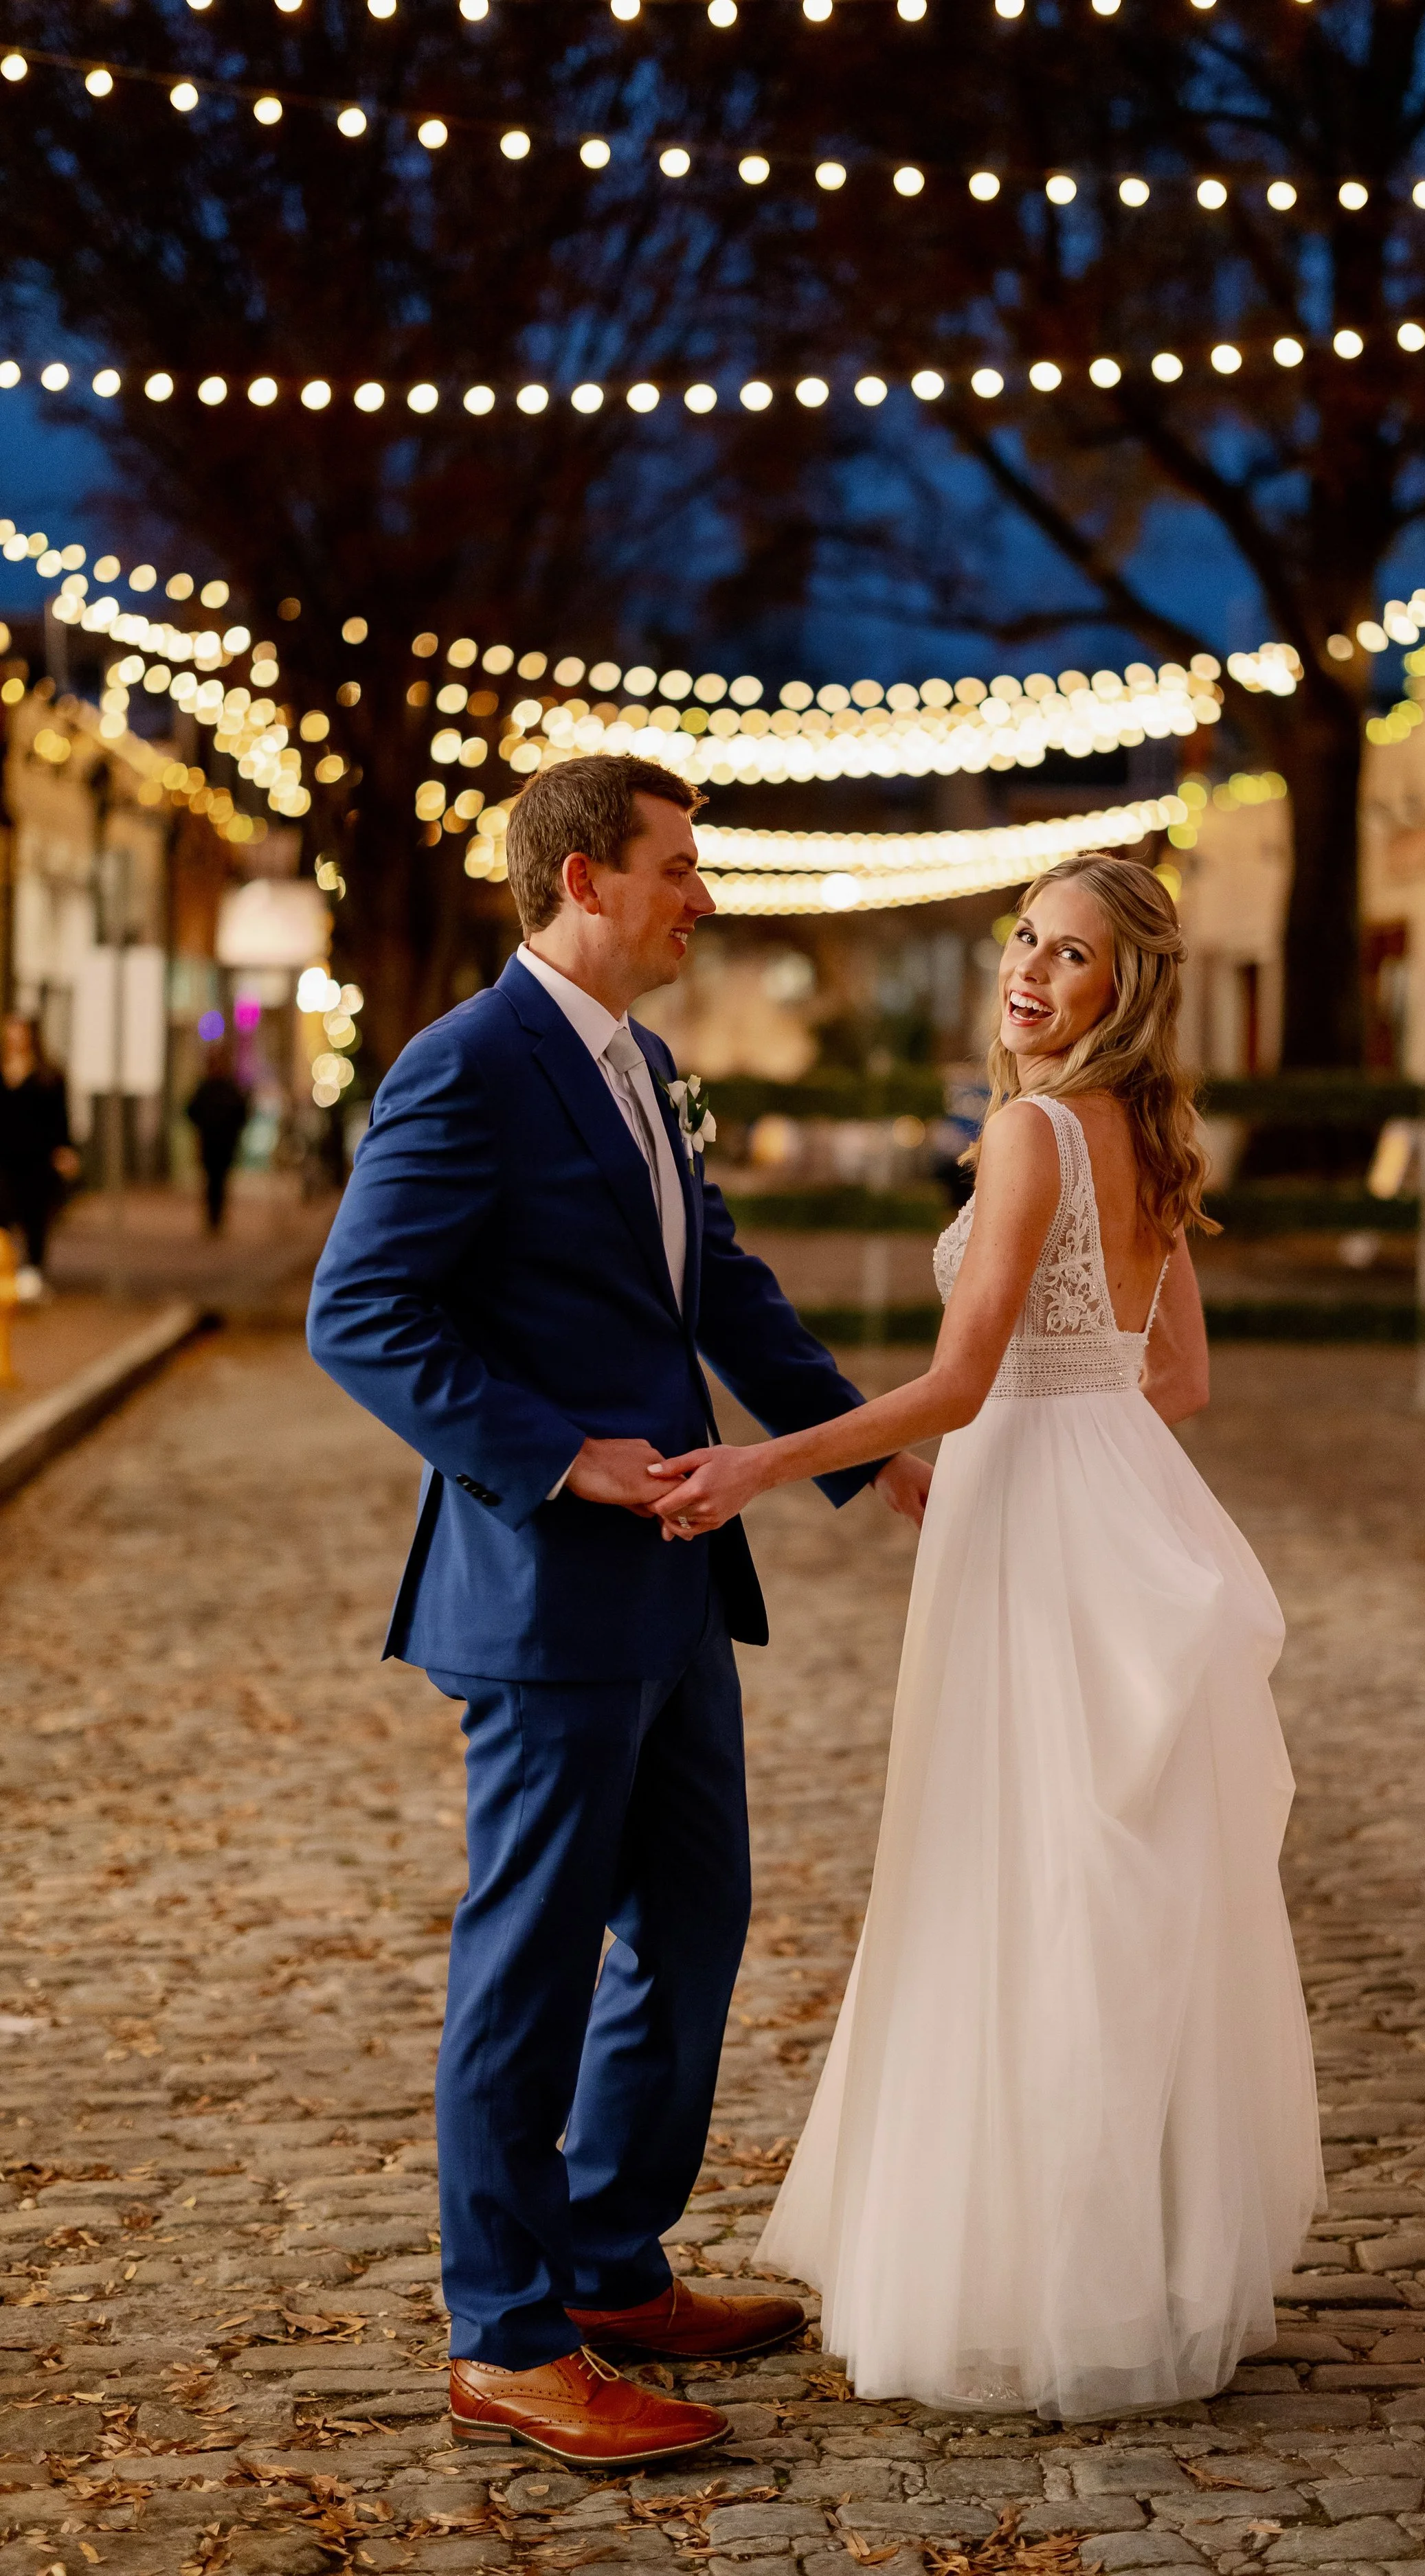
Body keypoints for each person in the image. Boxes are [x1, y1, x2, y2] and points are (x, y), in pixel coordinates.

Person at [306, 754, 930, 2472]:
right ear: (585, 879)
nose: (700, 896)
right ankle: (505, 2335)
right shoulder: (465, 1067)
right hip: (543, 1593)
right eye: (679, 867)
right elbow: (359, 1312)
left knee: (698, 1923)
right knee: (530, 1961)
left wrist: (858, 1456)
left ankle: (606, 2256)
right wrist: (556, 1457)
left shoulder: (645, 1065)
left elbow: (715, 1281)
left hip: (675, 1585)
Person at [649, 852, 1325, 2421]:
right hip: (1115, 1499)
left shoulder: (1030, 1132)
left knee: (1013, 1868)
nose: (1029, 971)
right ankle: (1135, 2258)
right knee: (1105, 1878)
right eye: (1025, 939)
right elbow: (1178, 1381)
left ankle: (1025, 2274)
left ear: (1123, 991)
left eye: (1071, 956)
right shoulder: (1149, 1137)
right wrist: (1075, 1437)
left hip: (1029, 1519)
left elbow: (959, 1383)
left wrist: (767, 1456)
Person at [0, 1013, 78, 1301]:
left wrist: (64, 1149)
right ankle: (4, 1270)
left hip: (36, 1161)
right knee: (3, 1214)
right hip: (4, 1160)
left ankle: (33, 1273)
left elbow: (60, 1118)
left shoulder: (48, 1075)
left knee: (35, 1218)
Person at [185, 1046, 251, 1232]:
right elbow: (192, 1111)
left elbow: (242, 1113)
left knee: (219, 1181)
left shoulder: (227, 1088)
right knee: (213, 1181)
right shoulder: (208, 1088)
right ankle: (213, 1218)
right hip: (211, 1143)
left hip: (223, 1143)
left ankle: (217, 1218)